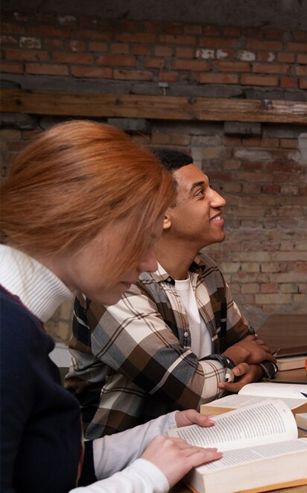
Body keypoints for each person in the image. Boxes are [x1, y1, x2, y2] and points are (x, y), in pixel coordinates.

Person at [0, 121, 223, 492]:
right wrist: (146, 478)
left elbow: (44, 467)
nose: (151, 264)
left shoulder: (20, 321)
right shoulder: (6, 336)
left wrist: (161, 431)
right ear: (86, 220)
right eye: (144, 240)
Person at [65, 148, 277, 439]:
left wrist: (255, 372)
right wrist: (232, 360)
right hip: (118, 462)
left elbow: (258, 350)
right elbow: (189, 387)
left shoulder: (206, 272)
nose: (220, 200)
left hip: (203, 436)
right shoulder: (116, 285)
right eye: (200, 193)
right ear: (164, 217)